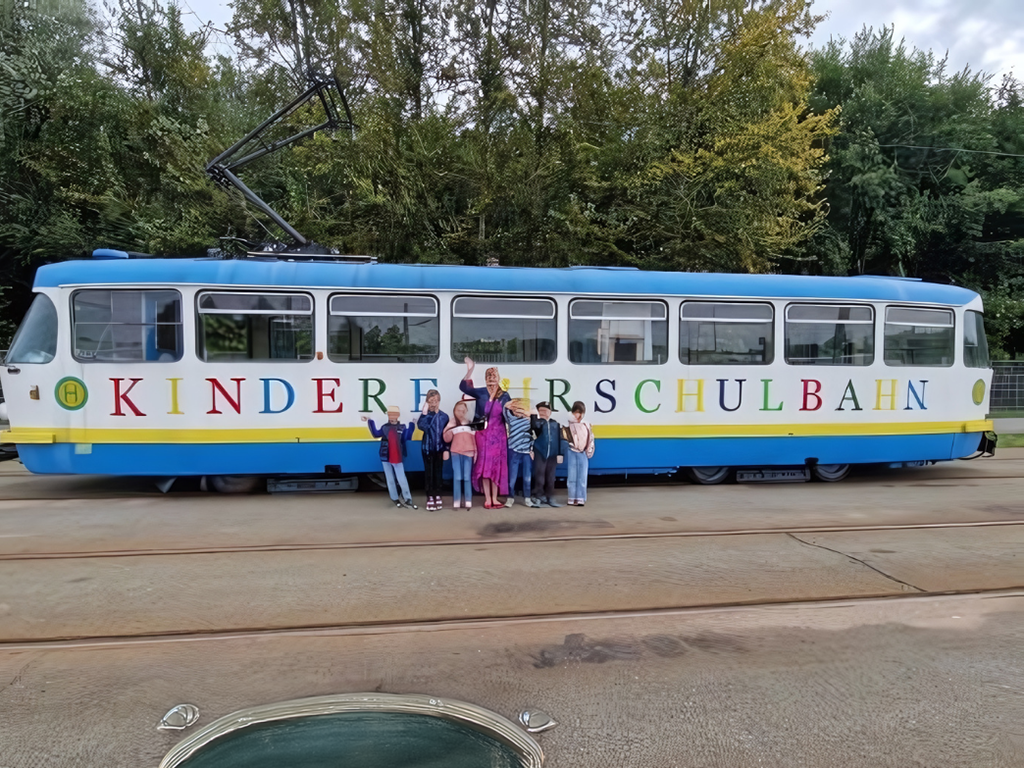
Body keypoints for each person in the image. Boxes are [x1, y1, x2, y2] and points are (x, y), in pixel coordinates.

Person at [459, 357, 517, 509]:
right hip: (483, 434)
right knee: (485, 466)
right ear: (485, 379)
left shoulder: (504, 395)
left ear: (499, 379)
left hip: (499, 435)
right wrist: (470, 369)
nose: (491, 379)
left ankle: (495, 498)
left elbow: (510, 416)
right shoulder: (481, 392)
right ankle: (487, 498)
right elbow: (463, 387)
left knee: (496, 467)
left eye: (494, 377)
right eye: (488, 377)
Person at [362, 406, 417, 509]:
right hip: (385, 454)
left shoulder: (402, 427)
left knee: (402, 478)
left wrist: (412, 425)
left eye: (394, 415)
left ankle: (407, 497)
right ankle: (394, 497)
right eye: (390, 414)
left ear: (398, 416)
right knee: (390, 479)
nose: (392, 417)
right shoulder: (385, 427)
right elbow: (376, 434)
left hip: (397, 455)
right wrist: (370, 421)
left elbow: (406, 437)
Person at [417, 389, 449, 511]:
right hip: (427, 449)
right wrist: (426, 414)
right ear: (426, 402)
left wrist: (446, 449)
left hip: (439, 449)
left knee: (438, 473)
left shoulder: (444, 416)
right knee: (429, 474)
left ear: (439, 401)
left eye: (435, 400)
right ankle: (430, 496)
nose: (433, 403)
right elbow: (422, 427)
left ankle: (438, 495)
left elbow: (446, 435)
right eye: (430, 401)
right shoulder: (424, 416)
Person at [443, 400, 477, 509]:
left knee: (467, 477)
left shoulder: (470, 423)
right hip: (455, 452)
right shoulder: (452, 422)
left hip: (468, 452)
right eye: (458, 410)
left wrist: (475, 452)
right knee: (457, 477)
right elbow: (446, 439)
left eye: (463, 411)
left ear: (466, 411)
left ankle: (468, 500)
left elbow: (475, 439)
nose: (461, 413)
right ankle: (456, 500)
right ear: (454, 411)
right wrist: (450, 428)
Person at [530, 401, 564, 507]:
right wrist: (533, 416)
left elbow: (560, 439)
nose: (543, 413)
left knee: (550, 477)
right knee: (539, 476)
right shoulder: (538, 423)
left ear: (550, 412)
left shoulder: (555, 424)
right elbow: (534, 428)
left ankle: (550, 497)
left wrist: (560, 454)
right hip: (540, 452)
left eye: (545, 410)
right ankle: (538, 495)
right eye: (541, 411)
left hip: (552, 454)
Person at [565, 400, 596, 506]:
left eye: (580, 412)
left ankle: (580, 498)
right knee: (572, 476)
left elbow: (590, 438)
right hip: (572, 451)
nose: (578, 414)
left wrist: (589, 451)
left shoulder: (586, 424)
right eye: (576, 412)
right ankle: (571, 497)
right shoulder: (569, 423)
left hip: (582, 453)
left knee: (582, 476)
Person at [505, 399, 535, 507]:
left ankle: (527, 498)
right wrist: (513, 404)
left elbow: (533, 433)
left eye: (521, 409)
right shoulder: (510, 418)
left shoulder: (529, 419)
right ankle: (510, 497)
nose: (518, 412)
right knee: (512, 477)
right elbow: (505, 407)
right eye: (516, 410)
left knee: (527, 477)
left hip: (527, 451)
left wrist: (531, 449)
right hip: (514, 450)